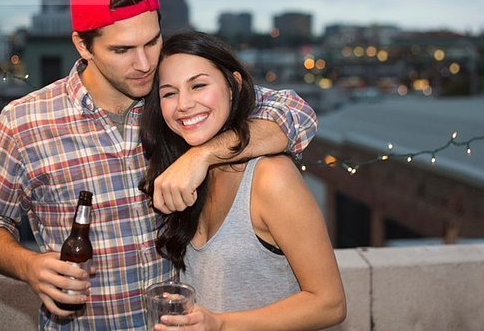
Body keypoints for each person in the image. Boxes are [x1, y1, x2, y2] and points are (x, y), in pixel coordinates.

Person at [0, 0, 318, 330]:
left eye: (152, 41)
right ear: (83, 44)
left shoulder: (177, 97)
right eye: (123, 50)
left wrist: (202, 154)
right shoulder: (24, 122)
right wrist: (30, 266)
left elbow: (296, 114)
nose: (145, 64)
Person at [139, 31, 346, 331]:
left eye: (198, 85)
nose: (183, 104)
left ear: (233, 86)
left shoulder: (270, 177)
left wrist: (220, 324)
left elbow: (330, 303)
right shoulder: (186, 174)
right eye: (169, 93)